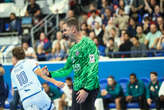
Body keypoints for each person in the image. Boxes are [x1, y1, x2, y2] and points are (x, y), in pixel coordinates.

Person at [43, 17, 99, 110]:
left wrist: (86, 89)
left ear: (73, 29)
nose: (63, 33)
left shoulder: (88, 44)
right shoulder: (73, 49)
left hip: (89, 88)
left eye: (65, 30)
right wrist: (50, 74)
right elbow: (67, 69)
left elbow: (93, 68)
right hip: (76, 87)